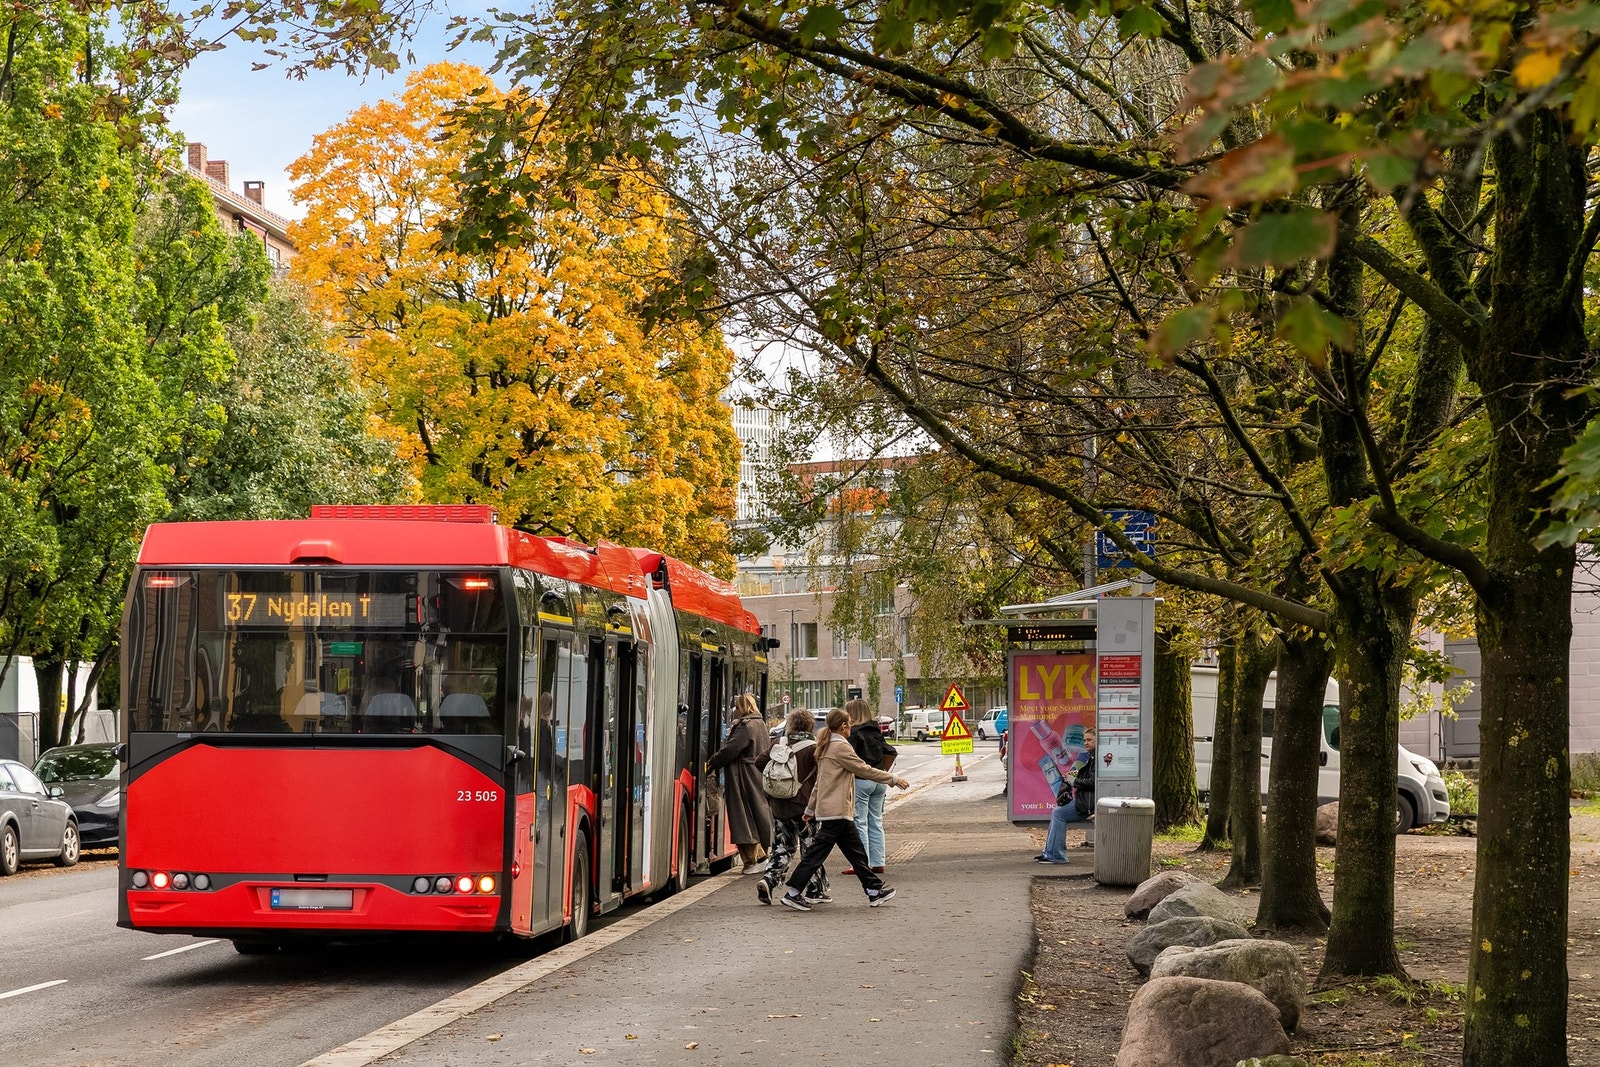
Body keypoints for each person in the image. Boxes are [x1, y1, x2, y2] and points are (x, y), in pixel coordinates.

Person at [779, 707, 909, 911]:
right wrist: (893, 778)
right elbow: (864, 769)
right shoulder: (840, 747)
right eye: (850, 723)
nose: (852, 727)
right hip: (836, 811)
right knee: (817, 854)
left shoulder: (826, 745)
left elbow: (819, 784)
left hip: (833, 810)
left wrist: (811, 810)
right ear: (843, 725)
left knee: (856, 853)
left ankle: (874, 890)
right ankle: (793, 893)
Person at [754, 708, 830, 905]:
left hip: (779, 804)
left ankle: (769, 880)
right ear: (810, 726)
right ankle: (815, 889)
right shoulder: (814, 748)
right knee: (811, 848)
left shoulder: (778, 743)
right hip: (805, 807)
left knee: (782, 846)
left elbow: (759, 762)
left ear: (790, 725)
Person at [706, 692, 775, 874]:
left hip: (743, 777)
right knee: (757, 814)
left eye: (737, 707)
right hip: (756, 775)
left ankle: (755, 858)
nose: (734, 710)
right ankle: (761, 855)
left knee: (743, 817)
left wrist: (712, 762)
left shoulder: (746, 726)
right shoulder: (760, 723)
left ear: (744, 707)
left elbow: (730, 750)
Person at [844, 697, 889, 876]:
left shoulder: (853, 733)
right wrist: (882, 770)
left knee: (859, 822)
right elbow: (891, 751)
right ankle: (878, 862)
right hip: (879, 780)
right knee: (876, 821)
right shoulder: (876, 731)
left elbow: (848, 759)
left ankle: (862, 863)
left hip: (862, 781)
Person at [1038, 728, 1096, 864]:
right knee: (1057, 812)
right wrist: (1074, 776)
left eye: (1089, 740)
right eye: (1084, 740)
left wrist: (1074, 781)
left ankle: (1057, 855)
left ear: (1097, 740)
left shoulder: (1096, 758)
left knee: (1059, 814)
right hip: (1086, 799)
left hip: (1088, 802)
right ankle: (1049, 852)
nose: (1086, 743)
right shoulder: (1091, 756)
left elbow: (1093, 782)